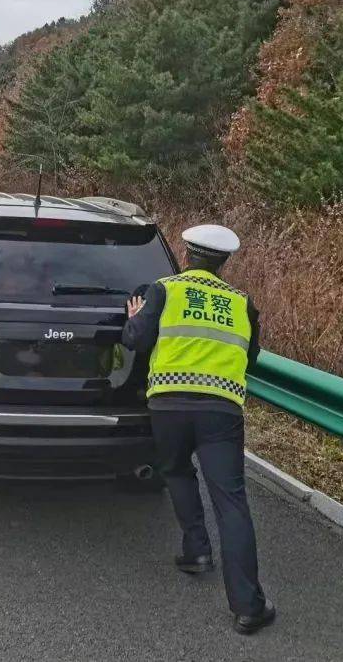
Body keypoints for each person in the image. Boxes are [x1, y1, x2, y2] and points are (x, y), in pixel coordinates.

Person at [122, 224, 275, 635]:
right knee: (231, 502)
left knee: (176, 472)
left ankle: (196, 551)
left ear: (186, 254)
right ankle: (248, 607)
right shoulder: (242, 303)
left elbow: (135, 341)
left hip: (168, 404)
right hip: (221, 410)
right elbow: (250, 359)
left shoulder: (164, 290)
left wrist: (134, 318)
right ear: (224, 262)